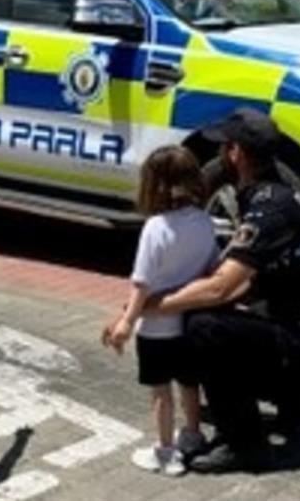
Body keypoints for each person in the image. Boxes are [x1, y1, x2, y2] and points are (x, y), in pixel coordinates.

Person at [123, 108, 300, 474]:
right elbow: (241, 280)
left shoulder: (270, 207)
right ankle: (291, 397)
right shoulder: (274, 192)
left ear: (238, 154)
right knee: (215, 319)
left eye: (225, 147)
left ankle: (245, 445)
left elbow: (220, 287)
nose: (218, 156)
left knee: (203, 325)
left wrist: (148, 306)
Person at [102, 146, 218, 476]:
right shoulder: (204, 221)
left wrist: (126, 320)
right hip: (190, 321)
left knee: (160, 392)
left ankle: (166, 452)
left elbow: (141, 283)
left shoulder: (155, 227)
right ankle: (193, 434)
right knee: (189, 383)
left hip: (156, 329)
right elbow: (212, 266)